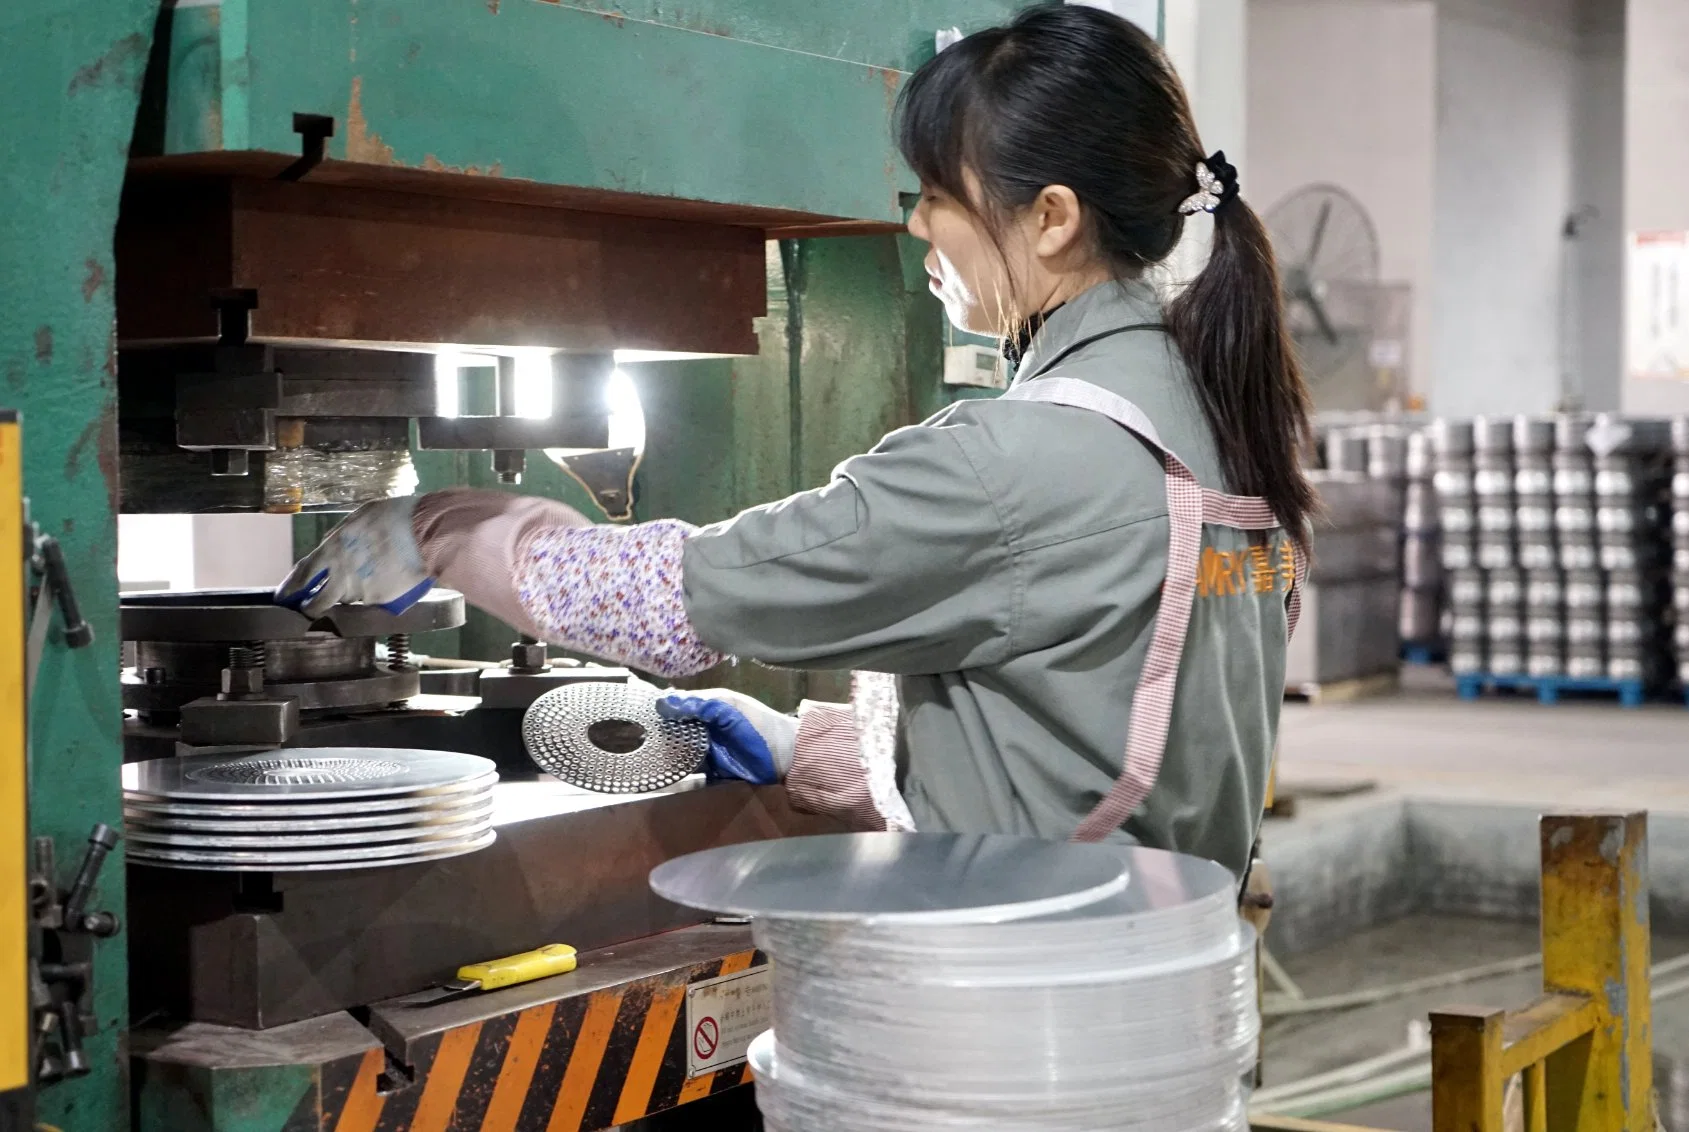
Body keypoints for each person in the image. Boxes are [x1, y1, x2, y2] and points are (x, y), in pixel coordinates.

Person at [277, 3, 1313, 879]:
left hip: (1020, 1017)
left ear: (1049, 218)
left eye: (938, 198)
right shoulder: (1216, 418)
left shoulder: (1013, 465)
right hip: (1156, 999)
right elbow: (1091, 718)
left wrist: (444, 527)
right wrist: (808, 742)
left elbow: (677, 600)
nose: (915, 229)